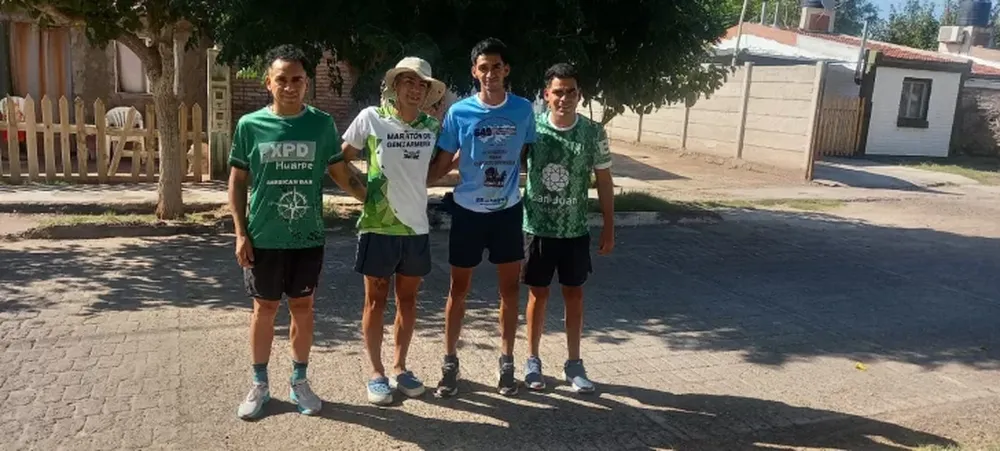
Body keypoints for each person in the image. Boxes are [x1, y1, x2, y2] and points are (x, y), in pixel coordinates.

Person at [228, 44, 367, 420]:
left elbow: (341, 174)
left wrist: (373, 199)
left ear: (307, 83)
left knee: (303, 308)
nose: (289, 86)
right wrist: (240, 233)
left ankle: (299, 381)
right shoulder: (250, 126)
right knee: (264, 309)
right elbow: (237, 181)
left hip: (307, 236)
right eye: (282, 79)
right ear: (268, 83)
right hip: (263, 236)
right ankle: (260, 385)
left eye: (297, 80)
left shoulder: (321, 124)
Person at [426, 37, 536, 397]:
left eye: (496, 67)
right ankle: (449, 363)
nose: (490, 74)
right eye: (483, 67)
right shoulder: (459, 113)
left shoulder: (523, 109)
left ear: (506, 70)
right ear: (474, 72)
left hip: (507, 213)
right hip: (468, 213)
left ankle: (507, 363)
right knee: (458, 290)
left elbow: (527, 154)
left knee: (509, 290)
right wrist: (414, 184)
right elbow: (444, 161)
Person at [340, 57, 447, 405]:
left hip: (416, 228)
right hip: (378, 225)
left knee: (409, 301)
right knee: (375, 300)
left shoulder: (432, 127)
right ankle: (376, 372)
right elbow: (340, 160)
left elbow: (431, 173)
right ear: (395, 85)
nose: (415, 90)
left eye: (422, 85)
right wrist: (362, 194)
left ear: (428, 92)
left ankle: (400, 367)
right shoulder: (371, 118)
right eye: (408, 82)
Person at [521, 63, 615, 394]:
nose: (565, 98)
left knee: (574, 294)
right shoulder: (531, 128)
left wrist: (609, 226)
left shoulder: (593, 132)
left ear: (580, 95)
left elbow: (604, 180)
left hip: (574, 230)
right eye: (558, 92)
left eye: (571, 92)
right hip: (537, 227)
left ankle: (574, 363)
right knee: (538, 294)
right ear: (546, 95)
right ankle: (532, 360)